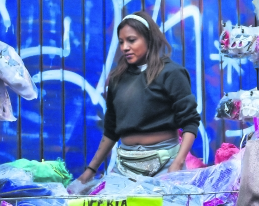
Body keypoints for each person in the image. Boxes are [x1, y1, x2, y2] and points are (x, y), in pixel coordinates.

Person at [75, 12, 199, 185]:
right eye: (121, 42)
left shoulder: (171, 73)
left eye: (131, 40)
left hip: (164, 166)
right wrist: (90, 171)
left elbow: (190, 122)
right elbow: (111, 129)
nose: (125, 47)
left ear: (149, 39)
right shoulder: (118, 77)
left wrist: (177, 164)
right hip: (124, 168)